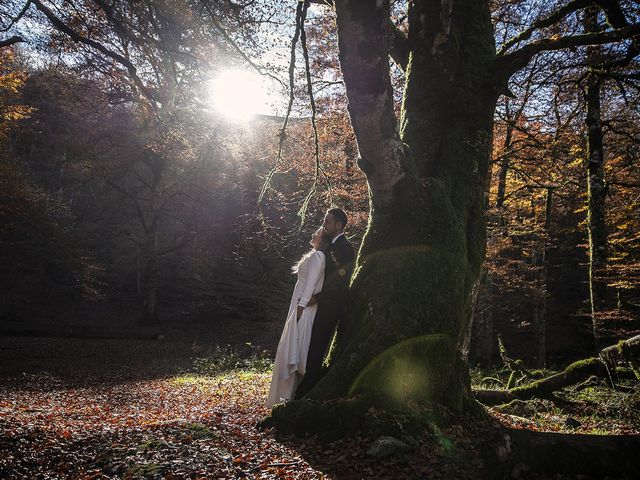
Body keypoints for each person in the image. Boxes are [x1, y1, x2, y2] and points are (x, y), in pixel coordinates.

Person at [294, 208, 355, 399]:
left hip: (331, 306)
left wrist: (316, 298)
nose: (324, 225)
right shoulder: (328, 246)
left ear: (339, 224)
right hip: (319, 305)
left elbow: (340, 283)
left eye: (327, 222)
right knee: (310, 347)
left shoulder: (345, 248)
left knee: (316, 349)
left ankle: (305, 394)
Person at [267, 227, 330, 407]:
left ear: (323, 238)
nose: (313, 234)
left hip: (303, 309)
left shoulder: (318, 257)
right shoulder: (315, 254)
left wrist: (301, 307)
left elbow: (311, 285)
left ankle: (288, 398)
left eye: (317, 233)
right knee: (290, 347)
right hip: (298, 306)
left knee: (295, 349)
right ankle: (283, 398)